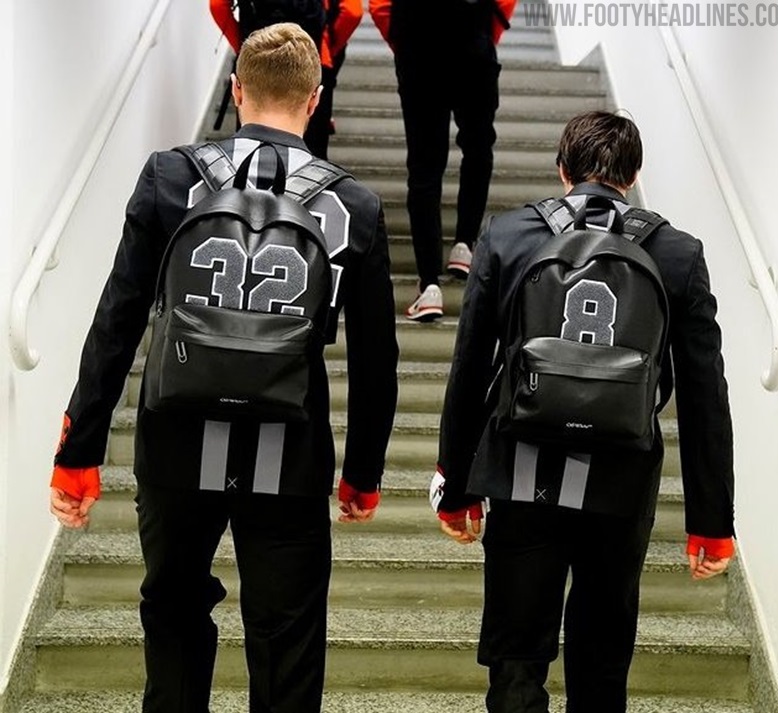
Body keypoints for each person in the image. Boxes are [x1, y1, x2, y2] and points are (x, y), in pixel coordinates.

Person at [49, 23, 399, 713]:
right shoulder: (353, 204)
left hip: (175, 440)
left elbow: (118, 319)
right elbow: (375, 356)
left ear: (237, 90)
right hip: (290, 448)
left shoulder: (170, 175)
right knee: (287, 638)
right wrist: (363, 472)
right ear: (316, 98)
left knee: (175, 618)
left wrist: (79, 448)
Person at [432, 110, 736, 712]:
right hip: (621, 486)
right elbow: (706, 395)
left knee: (516, 660)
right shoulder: (678, 254)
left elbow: (469, 367)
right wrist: (712, 519)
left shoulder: (511, 235)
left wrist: (455, 479)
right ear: (634, 174)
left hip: (521, 472)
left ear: (562, 169)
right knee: (601, 666)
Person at [369, 0, 517, 321]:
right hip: (474, 48)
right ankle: (464, 242)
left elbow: (380, 6)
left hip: (419, 51)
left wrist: (403, 41)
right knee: (478, 148)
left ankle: (429, 286)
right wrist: (482, 34)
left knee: (424, 168)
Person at [210, 0, 363, 159]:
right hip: (311, 59)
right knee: (312, 155)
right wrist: (327, 50)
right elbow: (353, 12)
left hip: (257, 65)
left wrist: (246, 51)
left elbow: (217, 5)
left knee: (251, 149)